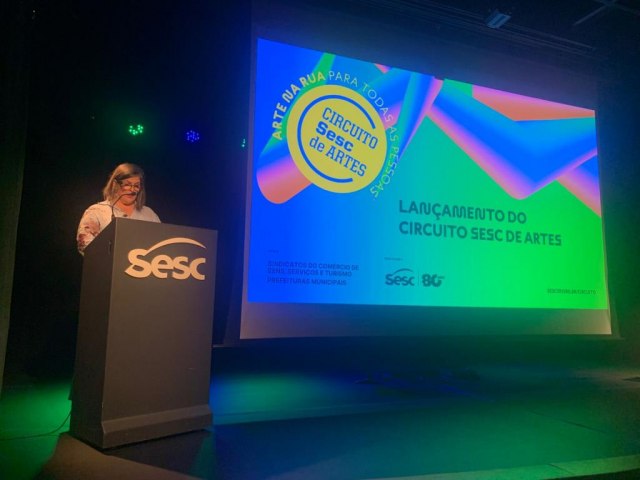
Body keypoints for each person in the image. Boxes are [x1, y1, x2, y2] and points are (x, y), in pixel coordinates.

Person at [76, 163, 160, 255]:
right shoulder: (97, 212)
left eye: (136, 186)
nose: (132, 190)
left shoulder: (149, 214)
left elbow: (161, 243)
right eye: (127, 184)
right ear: (115, 184)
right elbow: (85, 247)